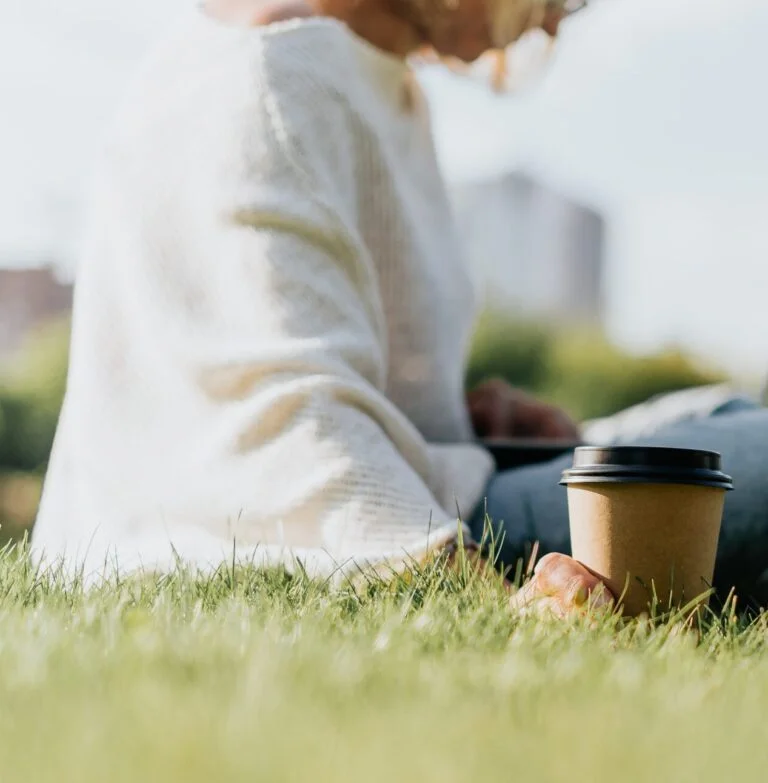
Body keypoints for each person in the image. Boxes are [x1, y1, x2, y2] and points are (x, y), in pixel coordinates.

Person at [33, 0, 767, 614]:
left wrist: (455, 423)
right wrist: (482, 596)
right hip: (401, 528)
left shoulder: (365, 77)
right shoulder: (271, 75)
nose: (552, 24)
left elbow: (263, 356)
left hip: (439, 488)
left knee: (728, 417)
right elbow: (289, 430)